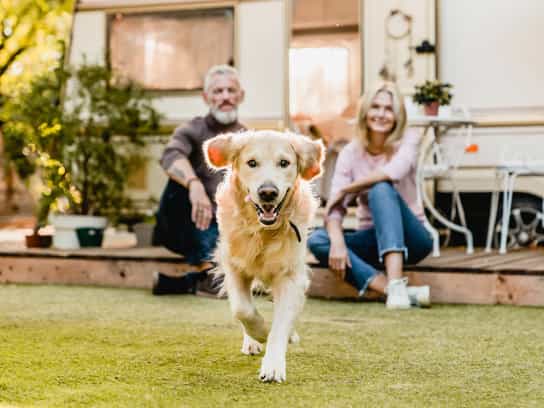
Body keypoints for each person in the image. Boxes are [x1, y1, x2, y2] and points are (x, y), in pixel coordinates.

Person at [307, 81, 433, 309]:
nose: (381, 114)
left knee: (381, 188)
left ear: (397, 115)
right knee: (318, 239)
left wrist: (348, 189)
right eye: (375, 107)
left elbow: (394, 172)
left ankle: (395, 283)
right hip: (372, 239)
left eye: (388, 109)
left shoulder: (409, 139)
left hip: (413, 239)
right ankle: (397, 292)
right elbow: (335, 210)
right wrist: (337, 242)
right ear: (365, 112)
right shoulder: (350, 153)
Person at [152, 65, 245, 295]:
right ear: (206, 97)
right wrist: (194, 184)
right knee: (179, 183)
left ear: (240, 96)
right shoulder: (193, 129)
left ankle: (196, 281)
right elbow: (170, 156)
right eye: (217, 91)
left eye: (230, 90)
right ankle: (209, 273)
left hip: (222, 225)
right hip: (183, 223)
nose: (225, 97)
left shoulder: (247, 138)